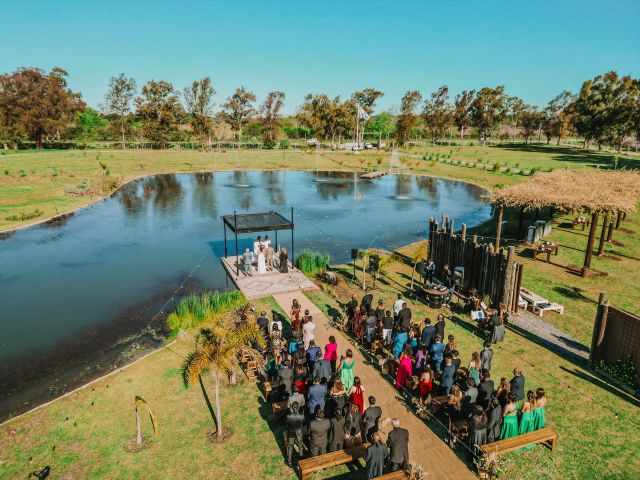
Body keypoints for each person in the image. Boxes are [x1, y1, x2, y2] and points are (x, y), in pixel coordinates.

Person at [285, 402, 305, 466]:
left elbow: (287, 425)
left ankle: (289, 461)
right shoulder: (301, 415)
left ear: (292, 408)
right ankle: (301, 459)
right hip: (299, 432)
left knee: (290, 446)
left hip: (291, 433)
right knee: (300, 446)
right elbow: (303, 423)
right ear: (298, 407)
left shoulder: (288, 416)